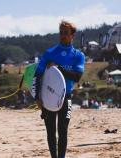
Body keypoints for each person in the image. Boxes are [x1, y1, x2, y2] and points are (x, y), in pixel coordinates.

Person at [33, 20, 85, 158]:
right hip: (47, 97)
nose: (62, 35)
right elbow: (37, 76)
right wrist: (37, 97)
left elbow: (76, 77)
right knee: (50, 132)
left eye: (66, 33)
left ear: (72, 35)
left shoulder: (78, 56)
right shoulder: (50, 53)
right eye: (61, 32)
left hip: (66, 97)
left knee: (63, 131)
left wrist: (58, 67)